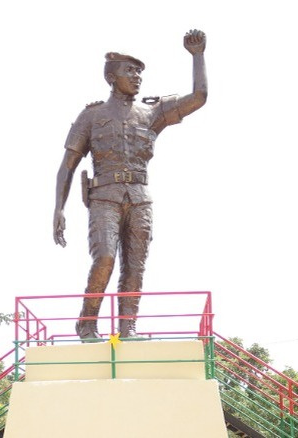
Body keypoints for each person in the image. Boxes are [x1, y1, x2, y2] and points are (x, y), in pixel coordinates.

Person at [53, 29, 208, 342]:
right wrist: (59, 208)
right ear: (111, 76)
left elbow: (199, 97)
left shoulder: (151, 112)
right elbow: (67, 165)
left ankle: (128, 327)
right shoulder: (91, 116)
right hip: (104, 197)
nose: (137, 76)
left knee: (135, 265)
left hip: (139, 198)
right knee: (105, 258)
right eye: (130, 70)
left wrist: (198, 56)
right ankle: (87, 324)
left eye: (140, 71)